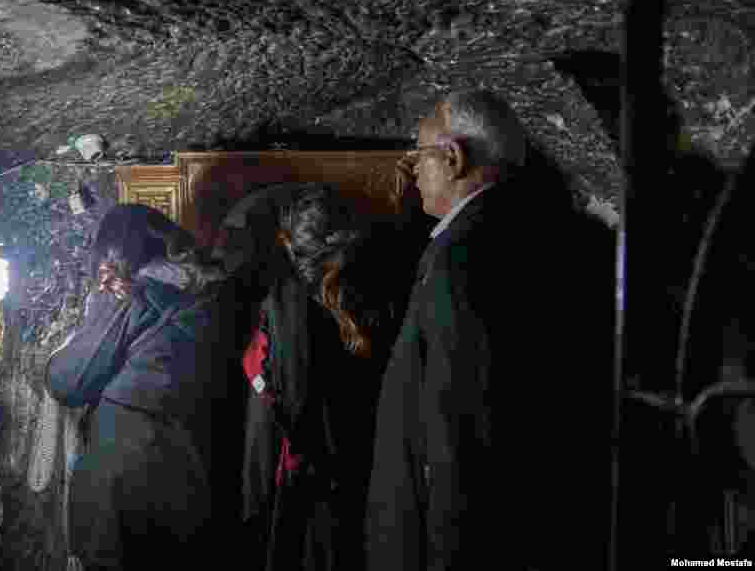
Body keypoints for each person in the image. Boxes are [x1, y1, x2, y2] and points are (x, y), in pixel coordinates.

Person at [365, 89, 613, 571]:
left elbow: (457, 430)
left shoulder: (461, 257)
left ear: (453, 158)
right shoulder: (562, 230)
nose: (413, 170)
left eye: (419, 156)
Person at [44, 203, 243, 571]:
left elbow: (68, 381)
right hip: (195, 479)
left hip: (126, 494)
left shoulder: (137, 295)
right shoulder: (216, 293)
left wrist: (64, 346)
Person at [221, 183, 398, 571]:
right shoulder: (375, 288)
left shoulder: (286, 301)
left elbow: (292, 395)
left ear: (288, 245)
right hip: (358, 457)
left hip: (298, 463)